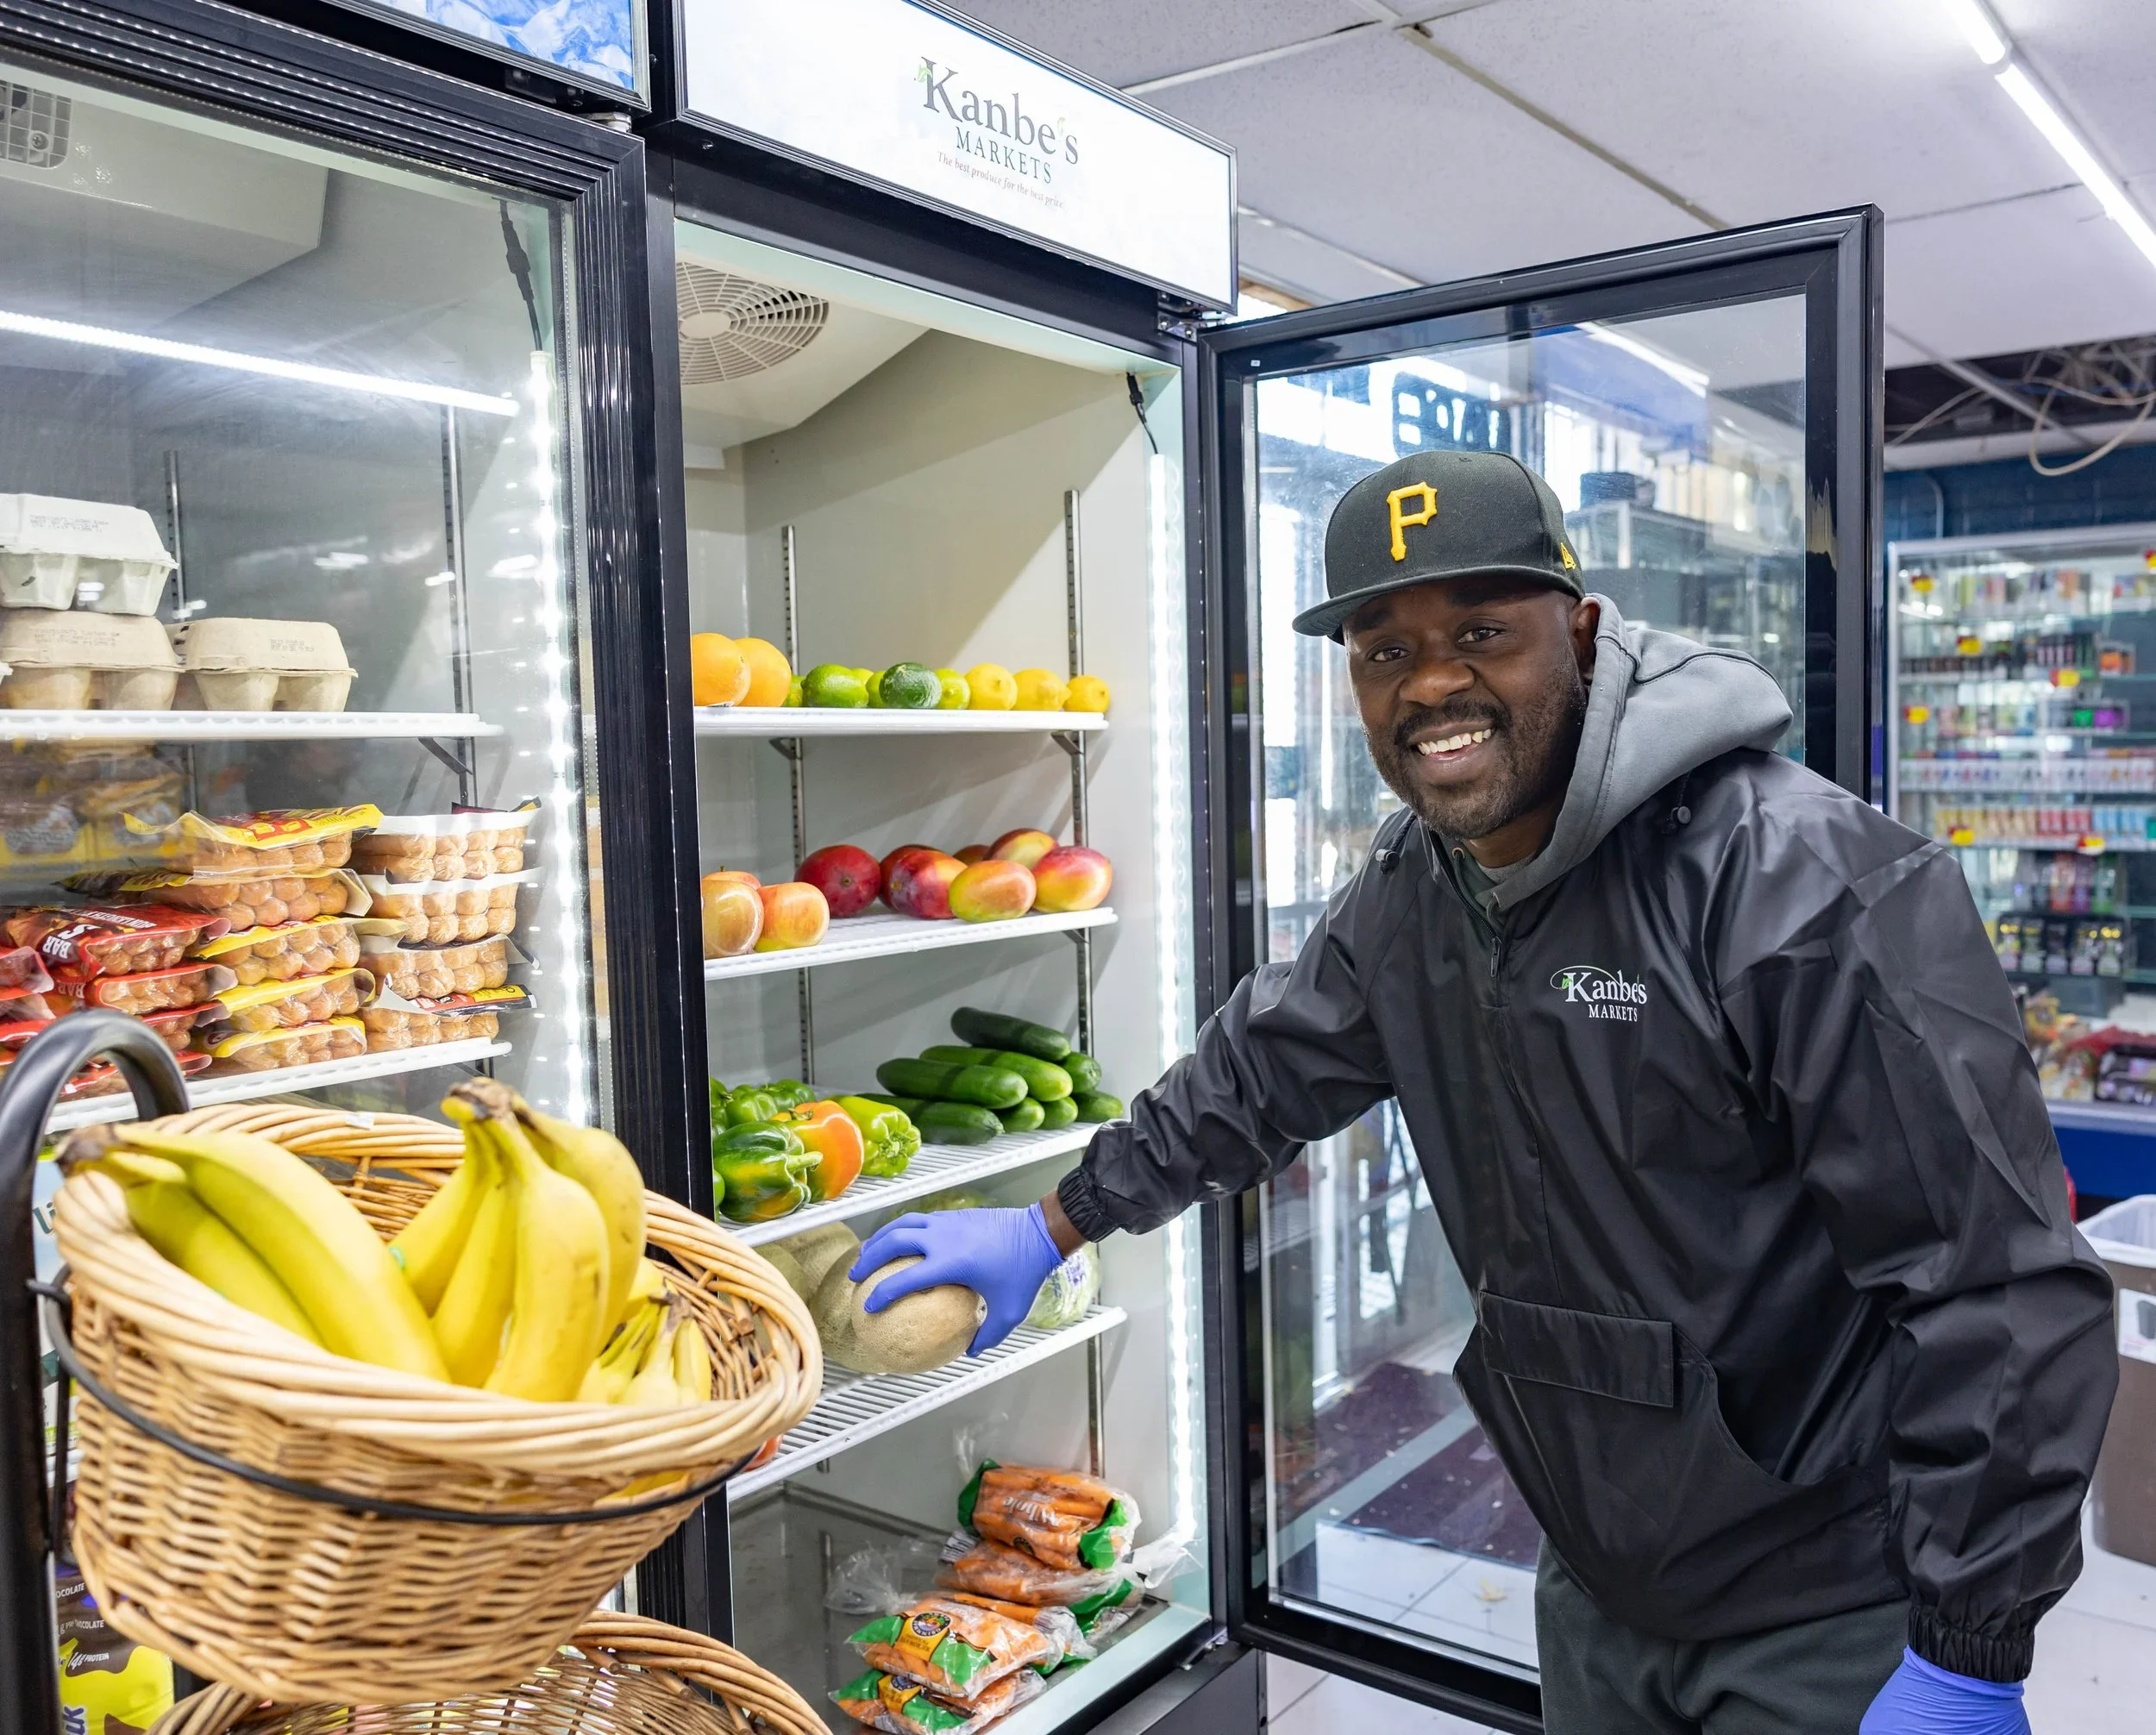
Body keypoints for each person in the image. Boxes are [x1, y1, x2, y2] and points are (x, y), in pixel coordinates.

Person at [849, 449, 2118, 1735]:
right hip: (1597, 1570)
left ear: (1577, 630)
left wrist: (1968, 1644)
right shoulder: (1421, 890)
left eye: (1480, 631)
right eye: (1382, 649)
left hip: (1828, 1597)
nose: (1433, 681)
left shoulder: (1800, 884)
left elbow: (1994, 1281)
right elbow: (1258, 1074)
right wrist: (1055, 1219)